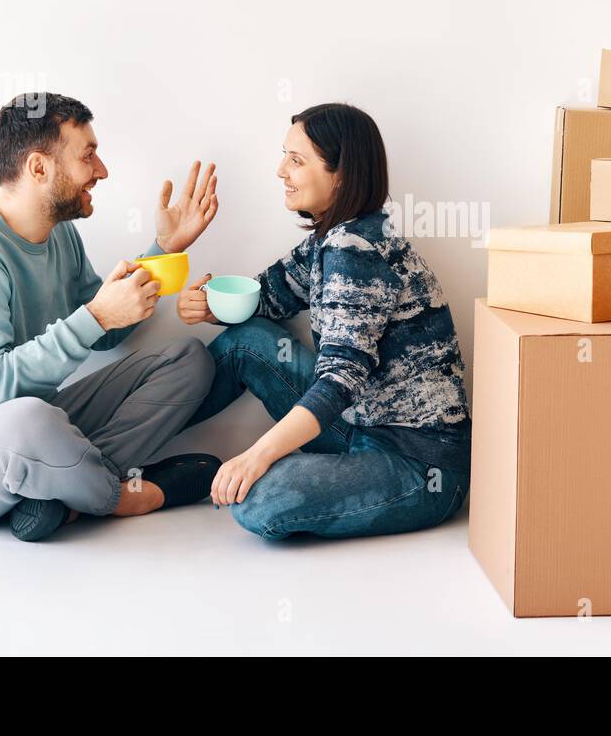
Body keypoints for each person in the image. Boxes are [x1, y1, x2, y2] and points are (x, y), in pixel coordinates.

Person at [0, 93, 221, 542]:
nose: (102, 171)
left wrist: (164, 251)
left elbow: (103, 333)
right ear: (39, 168)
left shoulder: (60, 236)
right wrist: (96, 317)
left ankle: (55, 493)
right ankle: (123, 496)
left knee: (189, 360)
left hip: (34, 424)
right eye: (88, 155)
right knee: (31, 421)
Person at [178, 102, 471, 540]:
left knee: (261, 504)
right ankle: (123, 448)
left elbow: (339, 380)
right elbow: (271, 295)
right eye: (285, 156)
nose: (281, 171)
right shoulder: (331, 237)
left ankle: (302, 472)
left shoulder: (357, 250)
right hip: (360, 425)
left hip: (418, 463)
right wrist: (209, 304)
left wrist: (258, 455)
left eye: (296, 161)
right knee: (248, 340)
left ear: (342, 174)